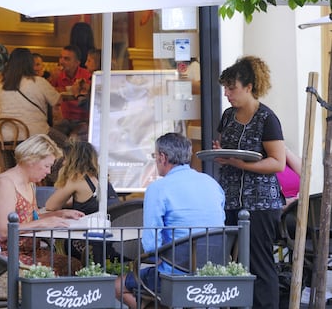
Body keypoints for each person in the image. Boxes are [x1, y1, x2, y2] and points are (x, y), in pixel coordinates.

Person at [115, 132, 226, 309]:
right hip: (212, 271)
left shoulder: (158, 188)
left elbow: (151, 244)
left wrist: (156, 257)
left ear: (162, 157)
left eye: (155, 156)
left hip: (175, 273)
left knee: (119, 286)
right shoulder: (212, 184)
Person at [213, 55, 286, 309]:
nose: (227, 94)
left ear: (249, 87)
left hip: (261, 204)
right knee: (227, 262)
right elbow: (222, 147)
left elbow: (278, 162)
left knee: (259, 262)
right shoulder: (227, 116)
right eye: (225, 88)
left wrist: (240, 163)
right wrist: (220, 153)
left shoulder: (267, 119)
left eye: (231, 88)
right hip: (230, 198)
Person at [0, 134, 84, 273]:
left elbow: (29, 219)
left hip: (29, 251)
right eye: (46, 166)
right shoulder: (5, 184)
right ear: (31, 160)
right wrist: (43, 223)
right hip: (3, 256)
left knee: (74, 264)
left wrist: (59, 214)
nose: (48, 171)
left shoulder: (29, 183)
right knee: (65, 267)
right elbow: (4, 231)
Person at [51, 45, 91, 140]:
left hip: (82, 120)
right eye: (61, 58)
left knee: (74, 138)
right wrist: (53, 79)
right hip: (65, 119)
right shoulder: (58, 75)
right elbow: (50, 95)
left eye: (66, 59)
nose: (61, 62)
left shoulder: (86, 75)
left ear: (77, 63)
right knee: (49, 135)